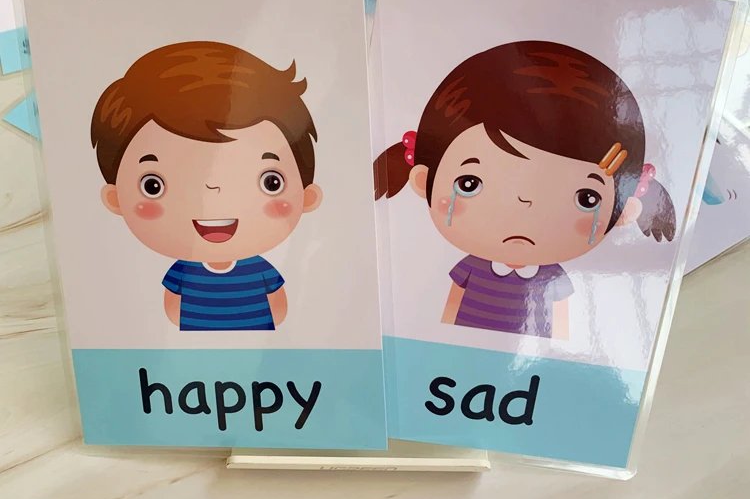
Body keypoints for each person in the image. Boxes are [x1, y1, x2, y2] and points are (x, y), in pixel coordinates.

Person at [374, 41, 675, 339]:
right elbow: (447, 318)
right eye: (469, 184)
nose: (524, 202)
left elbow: (558, 334)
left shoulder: (553, 278)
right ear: (424, 181)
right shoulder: (469, 269)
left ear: (622, 212)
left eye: (586, 198)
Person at [91, 42, 323, 331]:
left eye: (271, 182)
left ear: (307, 196)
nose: (212, 194)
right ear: (115, 198)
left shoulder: (258, 270)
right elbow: (173, 308)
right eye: (153, 185)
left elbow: (277, 306)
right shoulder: (184, 271)